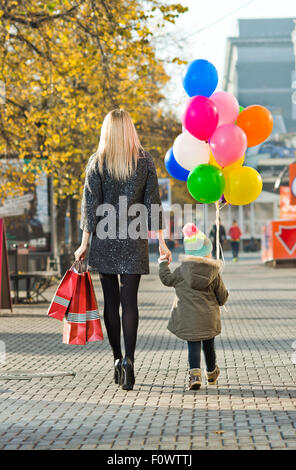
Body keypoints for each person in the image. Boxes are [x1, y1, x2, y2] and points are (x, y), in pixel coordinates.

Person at [74, 109, 172, 391]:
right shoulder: (144, 161)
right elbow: (154, 203)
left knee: (111, 304)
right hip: (134, 240)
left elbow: (90, 207)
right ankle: (130, 359)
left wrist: (84, 244)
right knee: (131, 303)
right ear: (130, 130)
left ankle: (117, 359)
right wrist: (162, 241)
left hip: (104, 242)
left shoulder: (97, 162)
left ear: (106, 131)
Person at [158, 223, 228, 390]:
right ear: (207, 252)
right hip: (209, 318)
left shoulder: (182, 270)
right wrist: (226, 295)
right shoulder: (214, 273)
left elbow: (167, 279)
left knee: (193, 343)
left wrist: (162, 263)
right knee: (209, 345)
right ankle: (211, 373)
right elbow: (222, 297)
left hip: (189, 318)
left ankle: (194, 375)